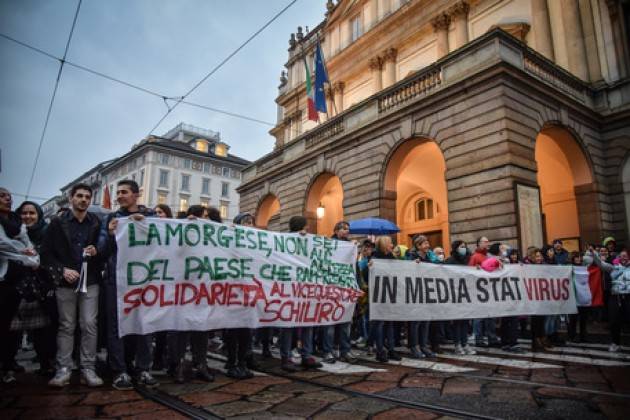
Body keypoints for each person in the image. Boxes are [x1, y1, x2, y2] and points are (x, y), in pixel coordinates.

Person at [98, 180, 158, 390]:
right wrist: (112, 235)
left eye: (124, 192)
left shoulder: (152, 218)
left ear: (136, 195)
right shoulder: (111, 219)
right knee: (117, 326)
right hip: (116, 280)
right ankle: (119, 370)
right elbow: (101, 251)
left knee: (144, 324)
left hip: (145, 281)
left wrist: (146, 226)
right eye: (118, 193)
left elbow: (162, 246)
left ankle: (143, 369)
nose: (119, 196)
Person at [42, 185, 103, 387]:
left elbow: (104, 248)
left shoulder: (96, 222)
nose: (83, 200)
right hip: (65, 283)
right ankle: (64, 369)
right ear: (71, 198)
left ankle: (88, 368)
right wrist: (62, 270)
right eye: (79, 196)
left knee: (89, 325)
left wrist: (97, 250)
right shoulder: (57, 223)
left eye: (87, 197)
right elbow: (46, 254)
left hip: (91, 280)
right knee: (67, 325)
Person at [168, 205, 215, 383]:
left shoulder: (210, 235)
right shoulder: (181, 230)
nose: (207, 220)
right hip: (183, 289)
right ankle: (178, 364)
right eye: (204, 216)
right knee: (181, 329)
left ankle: (200, 364)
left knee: (201, 329)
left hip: (203, 290)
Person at [0, 188, 40, 384]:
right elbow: (4, 246)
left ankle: (8, 364)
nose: (7, 199)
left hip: (17, 282)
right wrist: (25, 256)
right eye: (2, 196)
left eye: (9, 196)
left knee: (10, 327)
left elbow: (30, 248)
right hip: (3, 278)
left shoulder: (17, 224)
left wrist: (30, 256)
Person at [12, 201, 56, 377]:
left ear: (39, 215)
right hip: (16, 285)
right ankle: (9, 363)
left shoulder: (48, 233)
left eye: (32, 213)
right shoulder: (12, 233)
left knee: (42, 328)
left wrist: (37, 257)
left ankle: (46, 361)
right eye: (24, 213)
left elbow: (53, 257)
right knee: (13, 328)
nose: (28, 217)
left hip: (40, 286)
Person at [279, 216, 322, 372]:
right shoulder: (283, 240)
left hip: (305, 289)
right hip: (289, 290)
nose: (308, 228)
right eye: (306, 226)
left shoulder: (308, 242)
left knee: (307, 323)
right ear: (301, 227)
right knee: (288, 325)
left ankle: (307, 355)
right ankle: (286, 357)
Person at [223, 211, 256, 379]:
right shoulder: (229, 241)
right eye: (245, 222)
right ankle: (232, 362)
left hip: (249, 294)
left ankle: (242, 362)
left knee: (246, 331)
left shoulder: (257, 243)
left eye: (251, 222)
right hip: (233, 293)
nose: (248, 225)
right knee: (233, 331)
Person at [322, 221, 357, 364]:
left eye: (348, 229)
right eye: (343, 228)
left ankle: (345, 350)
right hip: (331, 288)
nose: (346, 231)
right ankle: (328, 351)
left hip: (346, 288)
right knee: (329, 323)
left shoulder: (350, 246)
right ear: (336, 230)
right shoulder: (329, 244)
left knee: (345, 323)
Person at [369, 235, 402, 362]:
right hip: (378, 295)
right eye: (390, 243)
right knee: (380, 324)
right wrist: (370, 266)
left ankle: (391, 349)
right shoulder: (375, 257)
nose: (392, 245)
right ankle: (380, 350)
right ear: (383, 244)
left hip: (390, 294)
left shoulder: (391, 257)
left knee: (390, 323)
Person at [406, 234, 440, 357]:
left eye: (427, 243)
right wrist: (412, 264)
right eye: (425, 243)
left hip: (427, 292)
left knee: (426, 320)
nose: (428, 245)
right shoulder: (411, 257)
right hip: (415, 293)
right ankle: (414, 346)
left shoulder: (430, 257)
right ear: (418, 245)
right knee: (416, 321)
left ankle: (424, 345)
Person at [592, 248, 630, 352]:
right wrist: (593, 253)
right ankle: (615, 343)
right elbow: (600, 264)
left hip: (628, 298)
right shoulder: (613, 268)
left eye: (625, 256)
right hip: (615, 298)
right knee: (614, 322)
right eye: (621, 256)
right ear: (619, 258)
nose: (623, 258)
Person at [151, 204, 172, 372]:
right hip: (152, 284)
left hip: (170, 286)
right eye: (155, 213)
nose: (158, 215)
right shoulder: (149, 230)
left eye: (161, 212)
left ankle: (161, 356)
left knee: (165, 326)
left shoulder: (175, 230)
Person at [444, 240, 476, 355]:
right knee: (457, 321)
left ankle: (465, 343)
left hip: (466, 294)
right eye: (462, 246)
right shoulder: (449, 261)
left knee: (465, 321)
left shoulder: (468, 260)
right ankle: (457, 344)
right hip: (455, 294)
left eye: (465, 246)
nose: (464, 248)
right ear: (456, 248)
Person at [469, 237, 500, 347]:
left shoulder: (489, 256)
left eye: (488, 241)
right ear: (478, 244)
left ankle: (492, 338)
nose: (488, 243)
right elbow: (469, 272)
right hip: (478, 291)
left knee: (490, 316)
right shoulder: (474, 257)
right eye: (485, 241)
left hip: (489, 290)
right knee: (479, 316)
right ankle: (479, 339)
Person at [527, 248, 552, 352]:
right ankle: (535, 341)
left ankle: (542, 338)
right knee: (535, 320)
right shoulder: (528, 267)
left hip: (542, 297)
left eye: (540, 256)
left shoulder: (543, 266)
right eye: (537, 256)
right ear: (532, 257)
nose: (539, 258)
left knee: (541, 319)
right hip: (533, 297)